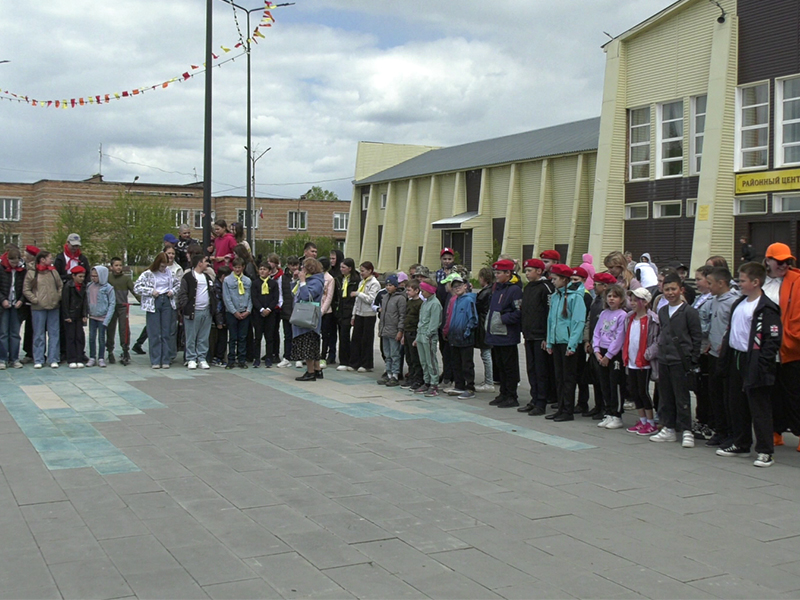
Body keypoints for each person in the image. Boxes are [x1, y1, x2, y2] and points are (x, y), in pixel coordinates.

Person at [716, 262, 781, 467]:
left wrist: (762, 363)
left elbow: (772, 339)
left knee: (758, 406)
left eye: (742, 280)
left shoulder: (767, 308)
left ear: (755, 282)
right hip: (736, 357)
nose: (739, 283)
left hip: (754, 361)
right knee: (736, 403)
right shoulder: (739, 303)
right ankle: (741, 443)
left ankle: (765, 451)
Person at [649, 273, 701, 447]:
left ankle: (687, 430)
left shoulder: (689, 312)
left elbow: (696, 337)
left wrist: (693, 358)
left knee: (682, 397)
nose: (670, 293)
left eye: (673, 289)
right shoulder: (663, 311)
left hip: (681, 359)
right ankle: (668, 427)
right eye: (667, 289)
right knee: (666, 396)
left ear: (681, 290)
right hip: (664, 358)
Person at [762, 243, 800, 449]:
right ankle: (776, 430)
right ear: (768, 261)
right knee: (772, 392)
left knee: (794, 393)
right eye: (780, 261)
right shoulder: (761, 281)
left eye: (788, 261)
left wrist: (791, 338)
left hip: (790, 349)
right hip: (767, 348)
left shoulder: (797, 281)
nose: (784, 265)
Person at [545, 264, 587, 421]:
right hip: (556, 341)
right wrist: (549, 341)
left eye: (555, 279)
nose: (553, 281)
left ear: (564, 279)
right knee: (559, 377)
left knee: (568, 378)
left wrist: (572, 344)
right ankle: (560, 407)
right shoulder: (556, 296)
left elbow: (578, 322)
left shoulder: (576, 297)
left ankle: (568, 410)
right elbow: (551, 320)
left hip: (567, 342)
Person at [705, 266, 739, 447]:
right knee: (715, 394)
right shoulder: (715, 300)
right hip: (713, 353)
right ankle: (720, 430)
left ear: (721, 283)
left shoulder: (734, 302)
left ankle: (732, 433)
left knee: (728, 397)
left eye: (710, 283)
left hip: (726, 356)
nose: (708, 287)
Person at [519, 259, 555, 415]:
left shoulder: (546, 288)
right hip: (529, 335)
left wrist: (547, 336)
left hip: (541, 335)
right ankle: (534, 399)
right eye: (526, 271)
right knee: (531, 369)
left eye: (530, 270)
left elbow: (549, 313)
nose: (527, 273)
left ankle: (542, 401)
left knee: (541, 370)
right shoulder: (528, 288)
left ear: (539, 271)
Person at [486, 259, 523, 408]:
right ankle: (503, 393)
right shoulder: (497, 288)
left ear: (508, 273)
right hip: (496, 334)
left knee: (509, 367)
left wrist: (502, 318)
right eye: (495, 272)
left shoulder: (514, 290)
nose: (496, 275)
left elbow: (518, 311)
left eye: (499, 272)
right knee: (500, 365)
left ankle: (511, 395)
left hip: (507, 334)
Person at [622, 287, 659, 436]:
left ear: (645, 302)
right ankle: (642, 420)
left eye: (635, 300)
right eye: (631, 300)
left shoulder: (652, 319)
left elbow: (657, 339)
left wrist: (648, 353)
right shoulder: (629, 318)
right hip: (631, 359)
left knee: (643, 392)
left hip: (644, 361)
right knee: (634, 391)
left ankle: (651, 422)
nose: (632, 303)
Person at [134, 252, 180, 369]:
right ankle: (155, 359)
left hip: (167, 300)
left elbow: (178, 284)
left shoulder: (169, 273)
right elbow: (137, 287)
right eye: (162, 266)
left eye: (165, 266)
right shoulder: (148, 274)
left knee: (166, 331)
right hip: (154, 301)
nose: (164, 268)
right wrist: (150, 291)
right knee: (154, 332)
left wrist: (172, 291)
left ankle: (165, 359)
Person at [592, 284, 628, 429]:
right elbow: (597, 332)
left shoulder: (622, 315)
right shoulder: (603, 313)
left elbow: (620, 336)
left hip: (614, 354)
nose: (612, 299)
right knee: (604, 383)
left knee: (615, 383)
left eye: (615, 296)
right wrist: (596, 350)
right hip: (601, 351)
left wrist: (609, 355)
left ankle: (616, 414)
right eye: (610, 296)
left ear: (621, 299)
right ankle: (608, 412)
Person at [583, 272, 617, 419]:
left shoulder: (610, 305)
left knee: (605, 379)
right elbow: (590, 321)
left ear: (605, 286)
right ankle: (598, 405)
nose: (594, 287)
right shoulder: (595, 301)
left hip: (606, 347)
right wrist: (587, 340)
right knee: (596, 378)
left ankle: (607, 407)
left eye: (597, 284)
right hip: (594, 345)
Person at [23, 250, 63, 369]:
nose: (51, 260)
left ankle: (53, 358)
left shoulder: (53, 272)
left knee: (54, 333)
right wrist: (35, 299)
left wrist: (57, 297)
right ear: (42, 259)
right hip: (38, 308)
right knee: (38, 334)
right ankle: (39, 359)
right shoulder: (32, 272)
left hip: (53, 306)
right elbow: (26, 289)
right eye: (49, 258)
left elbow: (60, 286)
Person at [176, 254, 215, 370]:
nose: (207, 264)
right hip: (193, 311)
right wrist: (185, 306)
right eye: (205, 261)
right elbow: (182, 293)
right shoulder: (188, 277)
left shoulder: (207, 277)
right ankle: (191, 358)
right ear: (199, 263)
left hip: (206, 311)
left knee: (204, 337)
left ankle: (202, 358)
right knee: (191, 336)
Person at [442, 274, 478, 399]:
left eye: (459, 286)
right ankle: (459, 385)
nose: (457, 288)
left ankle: (470, 387)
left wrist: (467, 331)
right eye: (454, 286)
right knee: (456, 362)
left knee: (466, 363)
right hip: (454, 336)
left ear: (465, 286)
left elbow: (473, 318)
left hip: (465, 336)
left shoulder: (469, 300)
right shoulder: (455, 300)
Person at [292, 257, 325, 381]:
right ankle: (317, 370)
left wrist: (302, 281)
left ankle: (310, 372)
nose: (301, 269)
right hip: (305, 315)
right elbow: (295, 292)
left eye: (303, 267)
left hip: (309, 317)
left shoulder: (316, 281)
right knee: (312, 344)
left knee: (308, 344)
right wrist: (296, 280)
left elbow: (306, 296)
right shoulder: (310, 279)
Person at [348, 261, 381, 373]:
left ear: (370, 271)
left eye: (363, 271)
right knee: (356, 338)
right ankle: (355, 362)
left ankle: (366, 363)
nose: (361, 273)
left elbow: (371, 299)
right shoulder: (362, 282)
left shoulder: (374, 283)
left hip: (369, 315)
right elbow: (357, 302)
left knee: (366, 339)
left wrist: (358, 294)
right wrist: (353, 315)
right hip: (359, 313)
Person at [106, 257, 139, 365]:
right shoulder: (108, 278)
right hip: (111, 307)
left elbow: (134, 291)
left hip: (122, 306)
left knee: (124, 329)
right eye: (116, 265)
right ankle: (110, 351)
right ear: (111, 267)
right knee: (110, 329)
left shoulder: (126, 279)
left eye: (120, 265)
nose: (119, 267)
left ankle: (125, 350)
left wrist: (142, 301)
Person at [222, 257, 252, 369]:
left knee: (242, 337)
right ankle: (231, 359)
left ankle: (242, 359)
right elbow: (226, 297)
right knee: (233, 337)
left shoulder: (247, 281)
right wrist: (234, 311)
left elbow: (250, 297)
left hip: (244, 311)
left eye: (239, 267)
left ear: (243, 267)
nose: (237, 269)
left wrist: (248, 310)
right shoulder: (227, 280)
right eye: (235, 267)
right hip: (232, 312)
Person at [414, 279, 442, 396]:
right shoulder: (425, 303)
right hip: (421, 334)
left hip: (428, 337)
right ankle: (426, 381)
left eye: (423, 290)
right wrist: (418, 336)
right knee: (423, 361)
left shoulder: (435, 304)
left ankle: (434, 383)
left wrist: (428, 334)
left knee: (431, 361)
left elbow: (434, 322)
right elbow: (421, 321)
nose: (422, 292)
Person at [377, 274, 407, 386]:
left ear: (395, 286)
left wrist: (400, 330)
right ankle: (388, 373)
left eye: (390, 285)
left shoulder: (400, 298)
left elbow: (402, 316)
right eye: (387, 285)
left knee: (395, 354)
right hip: (385, 330)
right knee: (387, 353)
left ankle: (395, 374)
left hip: (394, 331)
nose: (388, 287)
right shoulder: (385, 297)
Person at [0, 247, 25, 369]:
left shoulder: (22, 270)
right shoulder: (1, 269)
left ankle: (14, 358)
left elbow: (25, 288)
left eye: (17, 262)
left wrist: (21, 300)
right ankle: (3, 359)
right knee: (3, 333)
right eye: (12, 262)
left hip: (16, 304)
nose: (15, 265)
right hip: (4, 305)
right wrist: (2, 300)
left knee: (15, 333)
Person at [85, 266, 115, 367]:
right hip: (92, 317)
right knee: (92, 338)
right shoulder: (89, 286)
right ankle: (92, 357)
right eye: (92, 276)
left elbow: (112, 304)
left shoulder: (108, 288)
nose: (93, 278)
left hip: (103, 317)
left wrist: (107, 319)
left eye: (96, 276)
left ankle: (101, 357)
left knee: (102, 338)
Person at [251, 260, 279, 368]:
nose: (262, 271)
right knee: (257, 337)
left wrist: (269, 309)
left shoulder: (273, 284)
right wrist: (261, 309)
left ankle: (268, 358)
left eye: (265, 269)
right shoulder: (255, 283)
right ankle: (256, 358)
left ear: (269, 271)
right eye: (261, 269)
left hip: (270, 314)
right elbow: (254, 298)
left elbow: (275, 298)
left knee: (269, 337)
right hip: (258, 314)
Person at [435, 248, 456, 386]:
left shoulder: (457, 272)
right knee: (443, 346)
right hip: (441, 311)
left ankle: (451, 373)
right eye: (444, 259)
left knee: (450, 347)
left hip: (452, 311)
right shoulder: (438, 274)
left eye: (449, 259)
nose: (447, 261)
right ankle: (446, 371)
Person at [335, 258, 360, 371]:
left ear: (350, 268)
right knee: (343, 335)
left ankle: (353, 360)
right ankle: (343, 360)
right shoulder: (339, 279)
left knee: (352, 336)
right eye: (340, 267)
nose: (341, 269)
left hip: (351, 309)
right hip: (341, 309)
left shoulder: (356, 280)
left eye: (343, 267)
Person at [62, 266, 88, 369]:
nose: (82, 278)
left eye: (83, 276)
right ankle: (71, 358)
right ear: (73, 276)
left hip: (79, 315)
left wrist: (85, 314)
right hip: (71, 315)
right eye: (80, 276)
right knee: (70, 337)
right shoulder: (68, 286)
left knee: (79, 336)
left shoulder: (84, 287)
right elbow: (65, 302)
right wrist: (66, 315)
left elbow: (85, 302)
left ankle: (79, 357)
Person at [276, 257, 300, 368]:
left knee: (298, 335)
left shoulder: (302, 276)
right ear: (288, 266)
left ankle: (298, 357)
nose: (294, 267)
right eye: (292, 265)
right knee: (288, 335)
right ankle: (287, 357)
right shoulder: (282, 278)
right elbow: (280, 293)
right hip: (286, 309)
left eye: (296, 265)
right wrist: (281, 305)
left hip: (299, 309)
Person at [400, 279, 423, 391]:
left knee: (415, 358)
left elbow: (419, 320)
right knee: (408, 357)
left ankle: (417, 379)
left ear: (417, 290)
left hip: (414, 332)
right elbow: (406, 318)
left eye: (409, 290)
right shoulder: (409, 302)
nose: (407, 292)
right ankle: (411, 376)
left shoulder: (420, 304)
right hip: (407, 332)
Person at [474, 267, 495, 393]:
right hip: (485, 323)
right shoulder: (490, 290)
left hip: (483, 324)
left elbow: (479, 305)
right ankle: (488, 380)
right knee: (486, 353)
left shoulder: (486, 292)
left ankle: (489, 381)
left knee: (486, 354)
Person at [210, 265, 231, 366]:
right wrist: (219, 321)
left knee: (223, 337)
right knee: (221, 338)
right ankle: (218, 357)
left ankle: (220, 356)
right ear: (223, 276)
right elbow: (218, 306)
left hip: (224, 315)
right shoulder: (217, 288)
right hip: (220, 317)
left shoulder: (222, 285)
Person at [319, 257, 336, 369]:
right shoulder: (314, 277)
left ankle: (323, 357)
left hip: (326, 312)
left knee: (325, 335)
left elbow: (329, 297)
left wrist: (322, 311)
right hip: (314, 310)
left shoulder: (329, 279)